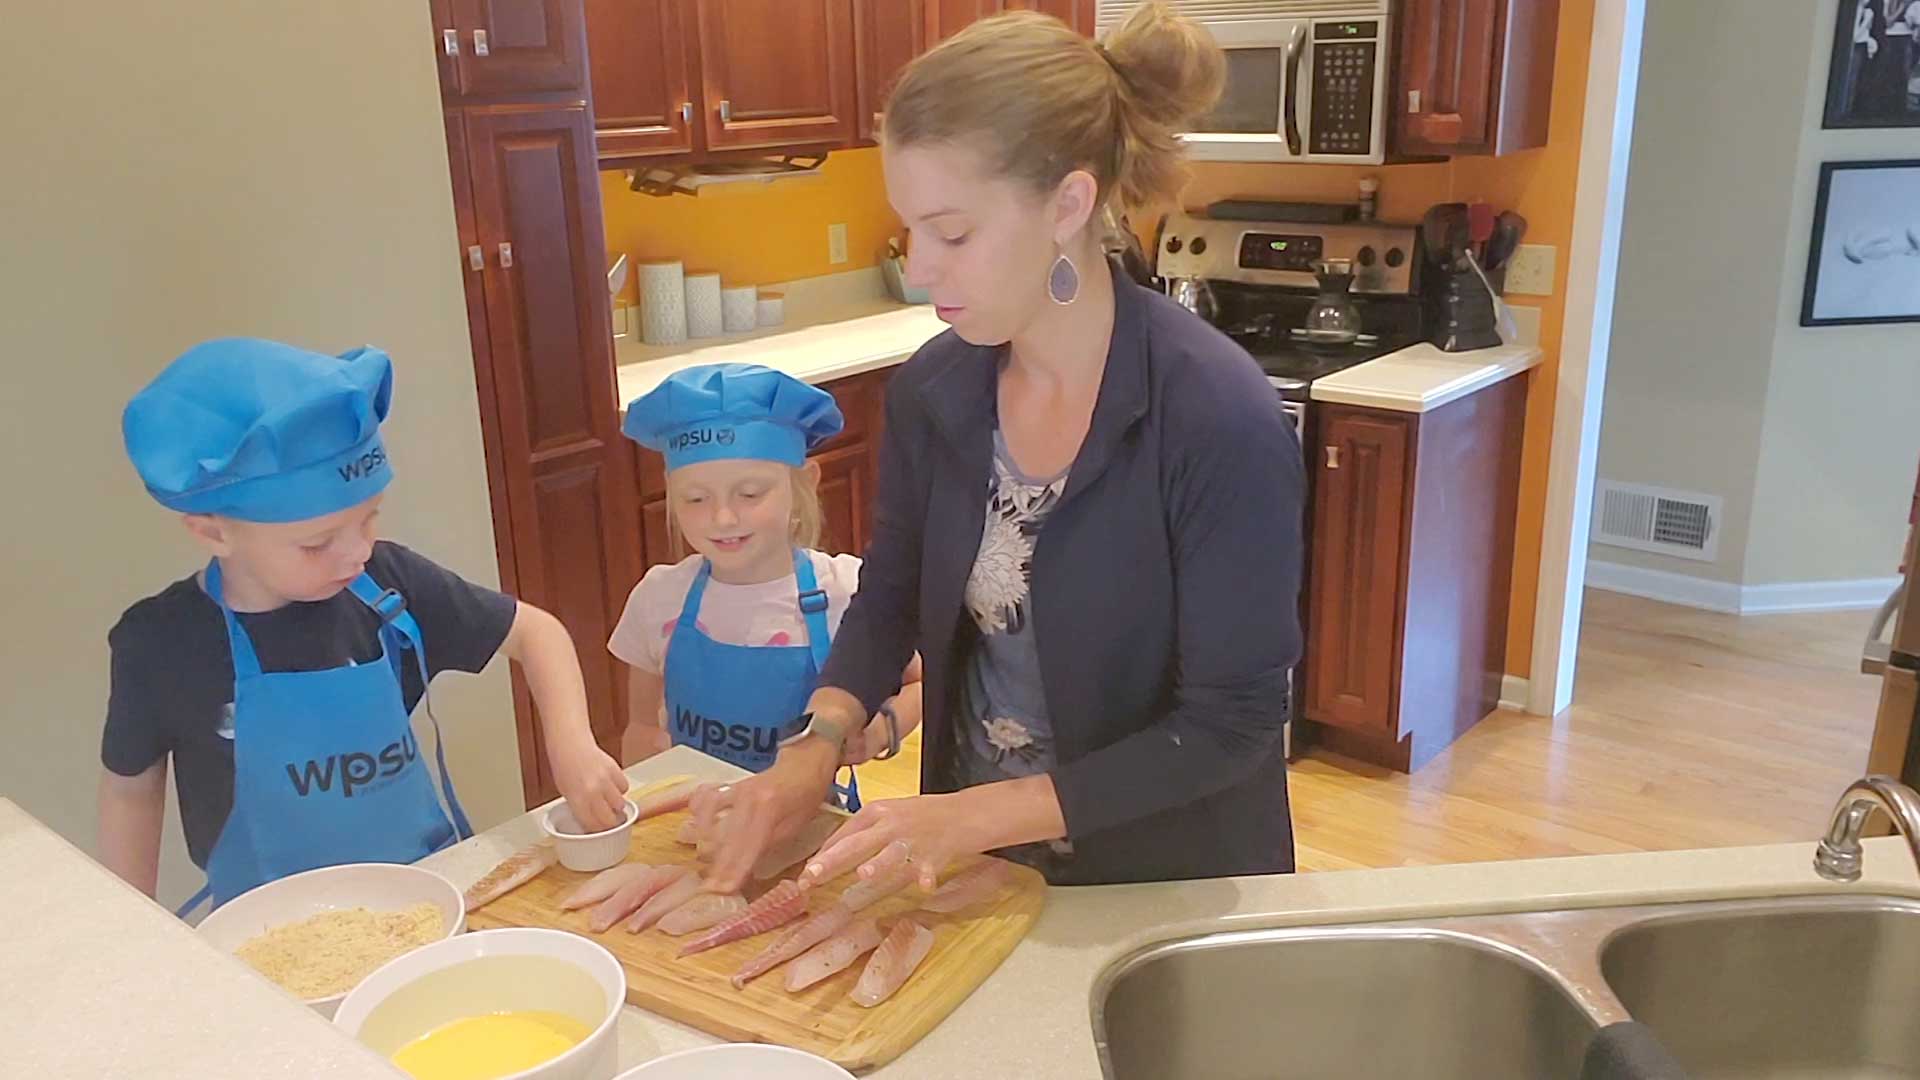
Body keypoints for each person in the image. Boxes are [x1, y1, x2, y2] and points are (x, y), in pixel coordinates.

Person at [691, 4, 1305, 891]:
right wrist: (820, 739)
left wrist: (970, 817)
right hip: (974, 864)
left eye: (954, 233)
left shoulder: (1215, 415)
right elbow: (893, 585)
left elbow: (1231, 724)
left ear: (1068, 204)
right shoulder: (937, 390)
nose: (921, 265)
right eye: (911, 229)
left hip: (1159, 879)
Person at [98, 338, 629, 914]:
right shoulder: (159, 643)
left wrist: (573, 742)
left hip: (425, 899)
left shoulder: (388, 583)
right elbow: (131, 792)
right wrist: (134, 927)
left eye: (369, 518)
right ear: (213, 533)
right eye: (318, 542)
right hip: (267, 932)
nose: (356, 553)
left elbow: (538, 633)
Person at [613, 364, 924, 805]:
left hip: (813, 825)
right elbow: (642, 726)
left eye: (750, 494)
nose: (722, 517)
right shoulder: (658, 598)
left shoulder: (846, 591)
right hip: (697, 822)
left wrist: (881, 728)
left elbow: (920, 684)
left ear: (804, 485)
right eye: (696, 499)